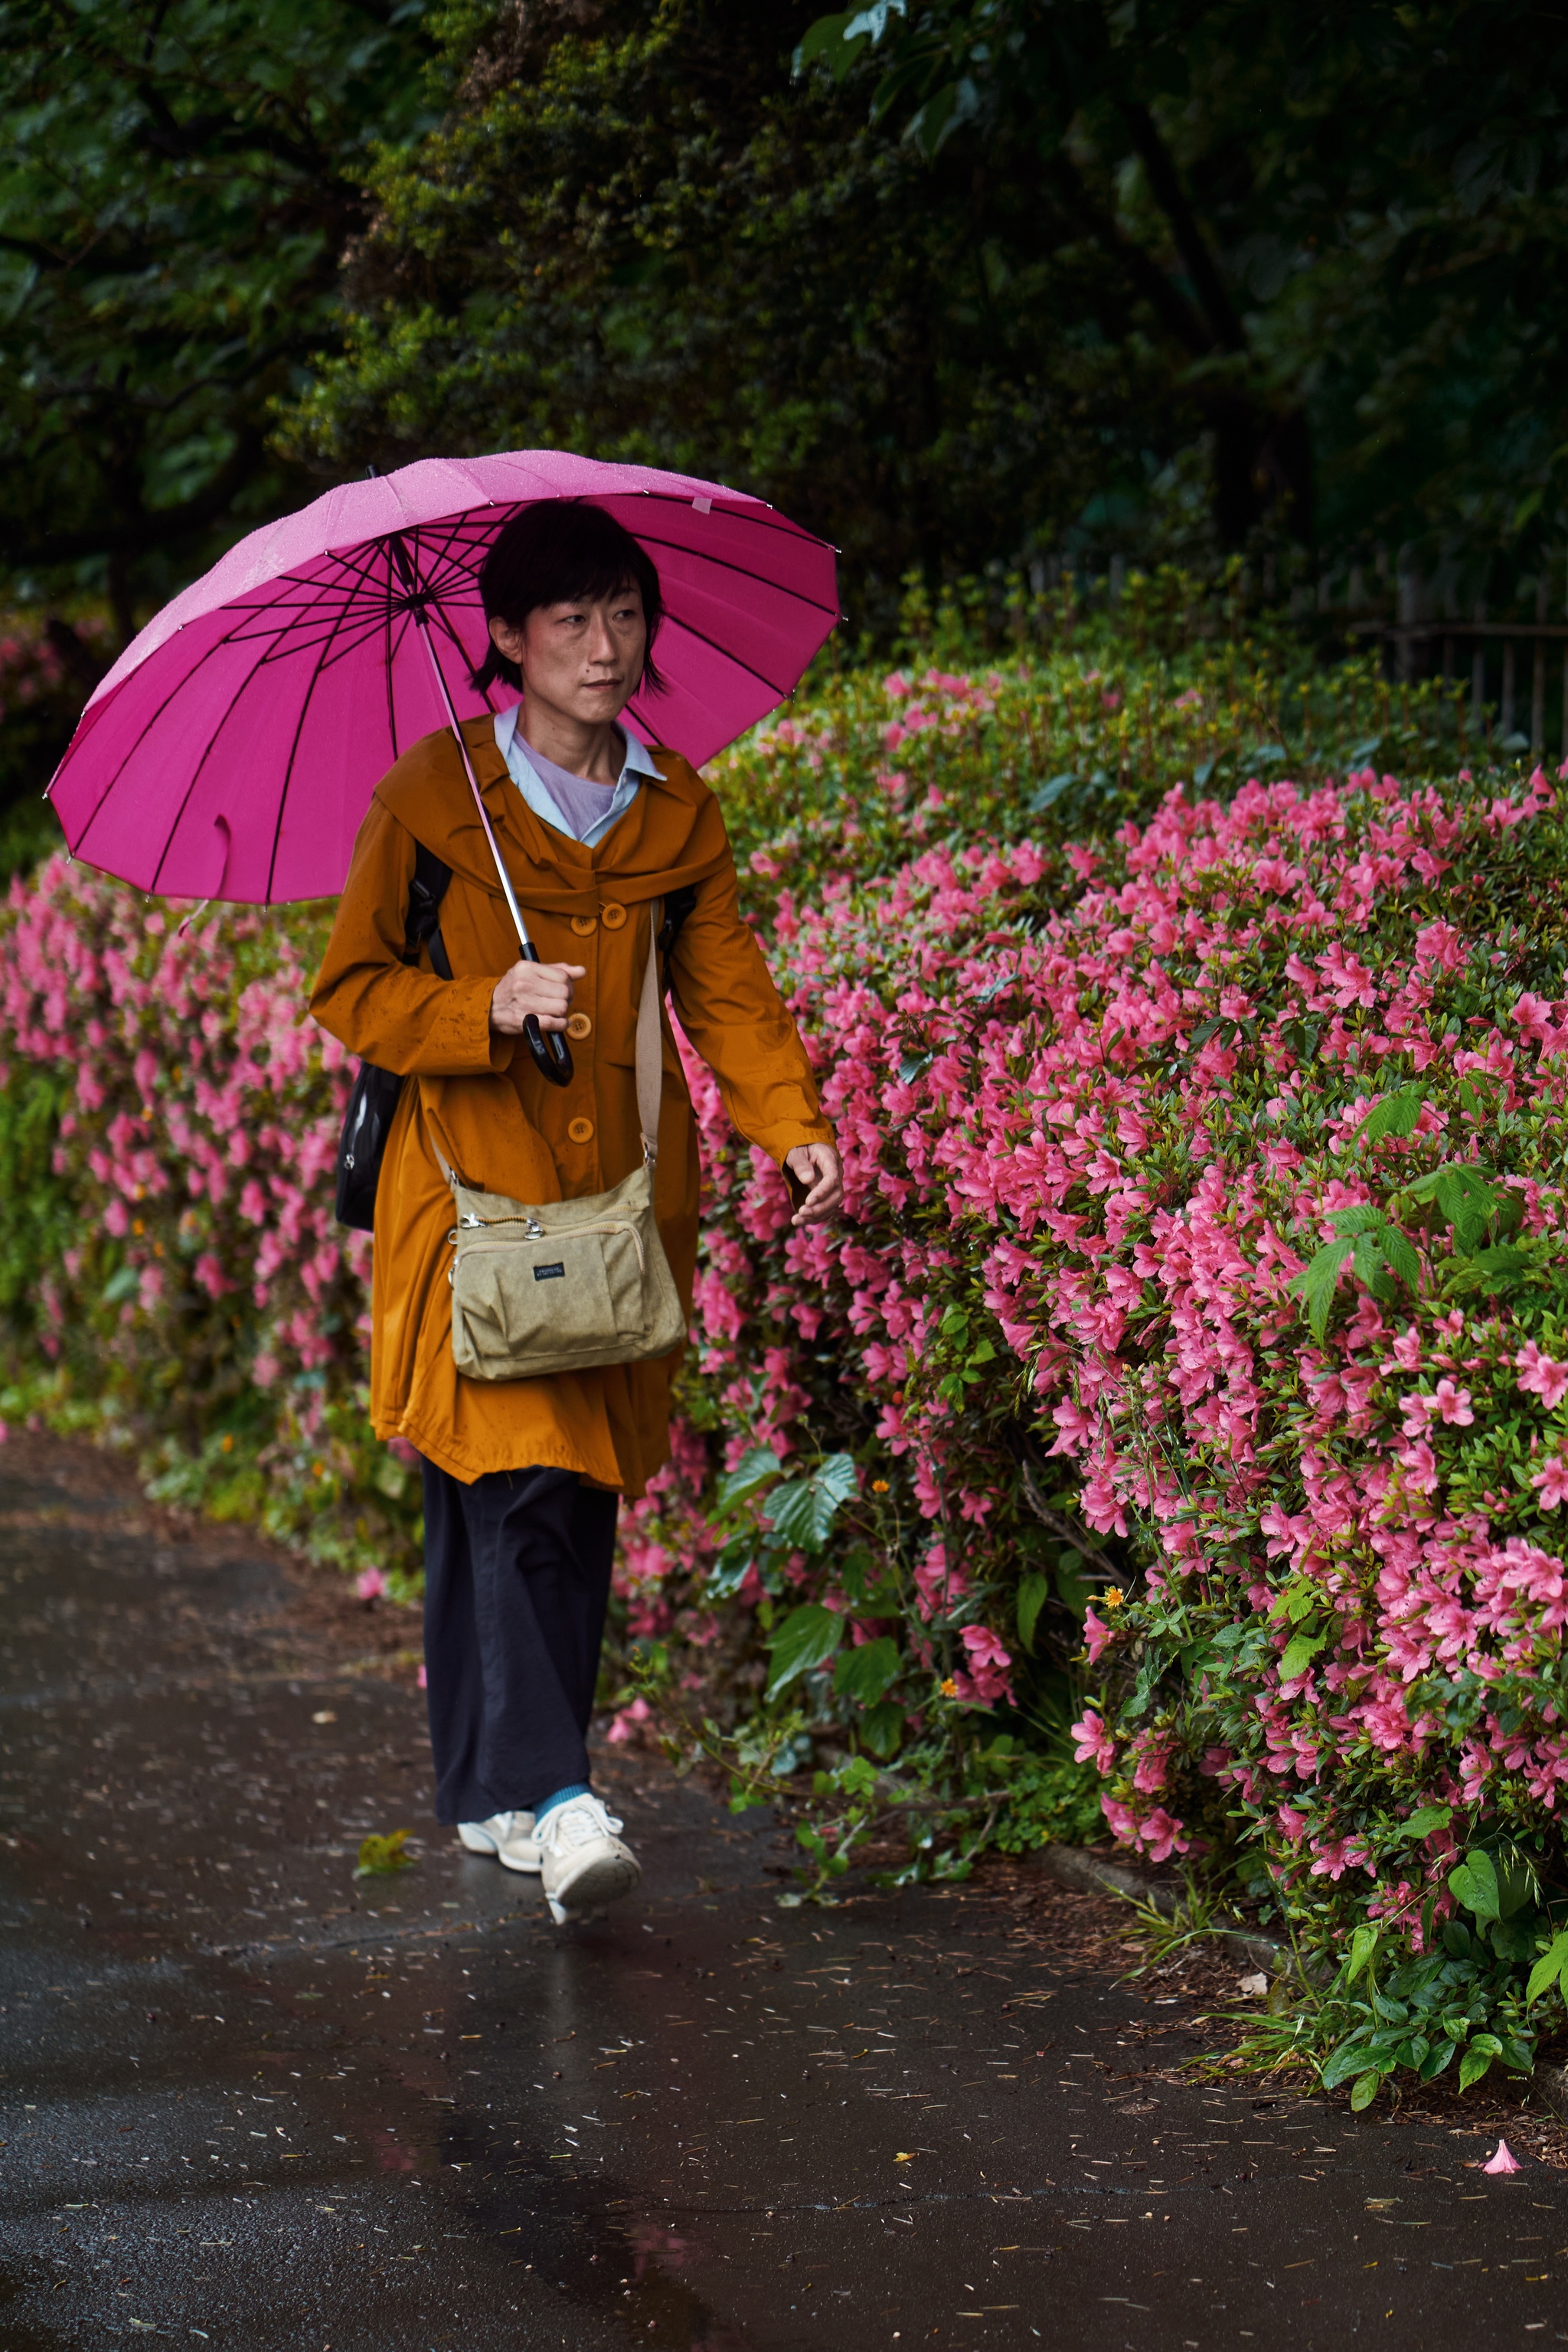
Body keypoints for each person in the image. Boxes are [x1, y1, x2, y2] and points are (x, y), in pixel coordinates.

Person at [309, 499, 841, 1925]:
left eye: (624, 618)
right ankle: (556, 1801)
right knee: (517, 1475)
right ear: (506, 639)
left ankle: (484, 1781)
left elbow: (726, 984)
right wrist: (482, 1003)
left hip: (616, 1214)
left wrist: (789, 1125)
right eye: (571, 623)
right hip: (473, 1207)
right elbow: (351, 988)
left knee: (556, 1488)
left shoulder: (677, 808)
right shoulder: (434, 801)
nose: (606, 651)